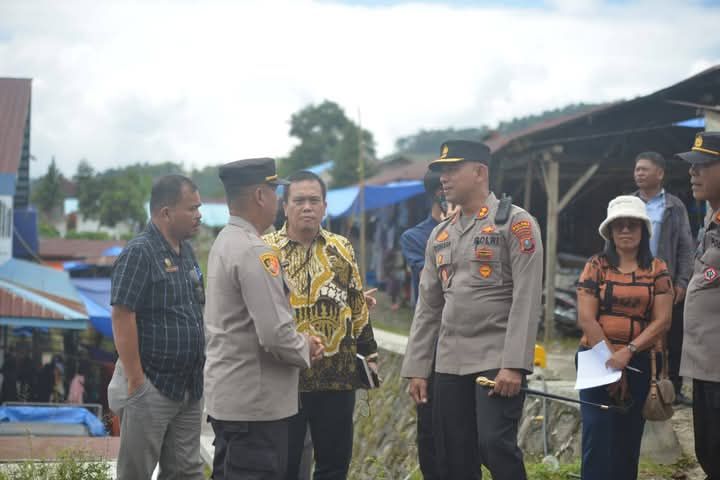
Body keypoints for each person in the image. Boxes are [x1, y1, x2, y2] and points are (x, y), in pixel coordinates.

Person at [401, 140, 543, 480]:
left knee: (494, 444)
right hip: (449, 363)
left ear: (480, 172)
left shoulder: (516, 224)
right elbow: (428, 307)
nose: (443, 179)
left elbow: (527, 298)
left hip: (495, 360)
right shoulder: (440, 234)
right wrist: (418, 368)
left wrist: (514, 364)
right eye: (441, 172)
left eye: (452, 170)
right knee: (453, 455)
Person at [204, 158, 324, 480]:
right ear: (260, 195)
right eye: (275, 192)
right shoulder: (255, 251)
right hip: (255, 408)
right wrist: (306, 348)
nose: (277, 201)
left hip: (232, 400)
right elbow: (274, 333)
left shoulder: (224, 241)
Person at [263, 170, 378, 480]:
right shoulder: (265, 251)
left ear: (325, 206)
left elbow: (356, 303)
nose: (307, 207)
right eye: (299, 200)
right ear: (284, 206)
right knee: (282, 467)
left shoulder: (342, 248)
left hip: (337, 378)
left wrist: (369, 351)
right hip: (285, 379)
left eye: (314, 200)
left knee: (333, 466)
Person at [108, 174, 206, 480]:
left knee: (187, 472)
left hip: (188, 388)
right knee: (136, 473)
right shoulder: (139, 252)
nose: (199, 215)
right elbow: (122, 316)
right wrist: (137, 381)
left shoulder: (186, 251)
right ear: (166, 212)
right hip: (152, 386)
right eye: (191, 208)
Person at [576, 195, 673, 480]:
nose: (626, 231)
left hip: (640, 360)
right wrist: (610, 360)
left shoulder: (658, 268)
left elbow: (662, 320)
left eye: (633, 225)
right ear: (610, 231)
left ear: (644, 230)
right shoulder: (596, 265)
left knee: (628, 440)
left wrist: (627, 352)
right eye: (620, 225)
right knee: (597, 436)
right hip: (596, 361)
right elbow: (586, 318)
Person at [633, 151, 694, 405]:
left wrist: (681, 282)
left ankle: (673, 388)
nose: (639, 173)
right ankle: (641, 383)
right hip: (634, 280)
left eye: (645, 169)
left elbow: (685, 247)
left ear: (660, 174)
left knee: (673, 336)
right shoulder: (629, 203)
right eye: (637, 169)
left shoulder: (673, 206)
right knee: (637, 333)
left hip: (665, 283)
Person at [677, 131, 720, 480]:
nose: (693, 173)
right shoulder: (711, 221)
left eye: (703, 165)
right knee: (708, 453)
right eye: (692, 166)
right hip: (706, 366)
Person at [399, 170, 444, 479]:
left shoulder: (487, 231)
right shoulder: (415, 237)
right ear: (438, 194)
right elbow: (437, 281)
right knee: (429, 432)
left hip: (474, 344)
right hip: (433, 342)